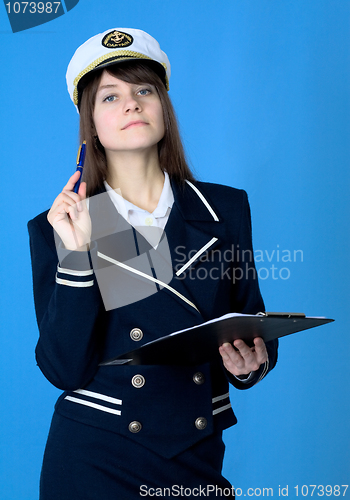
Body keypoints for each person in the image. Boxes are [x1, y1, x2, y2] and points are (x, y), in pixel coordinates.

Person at [28, 28, 278, 499]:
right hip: (94, 456)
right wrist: (79, 253)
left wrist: (251, 364)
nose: (132, 104)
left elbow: (250, 321)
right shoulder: (58, 225)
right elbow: (63, 368)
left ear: (163, 105)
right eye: (110, 96)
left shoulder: (225, 209)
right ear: (91, 124)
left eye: (144, 89)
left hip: (197, 450)